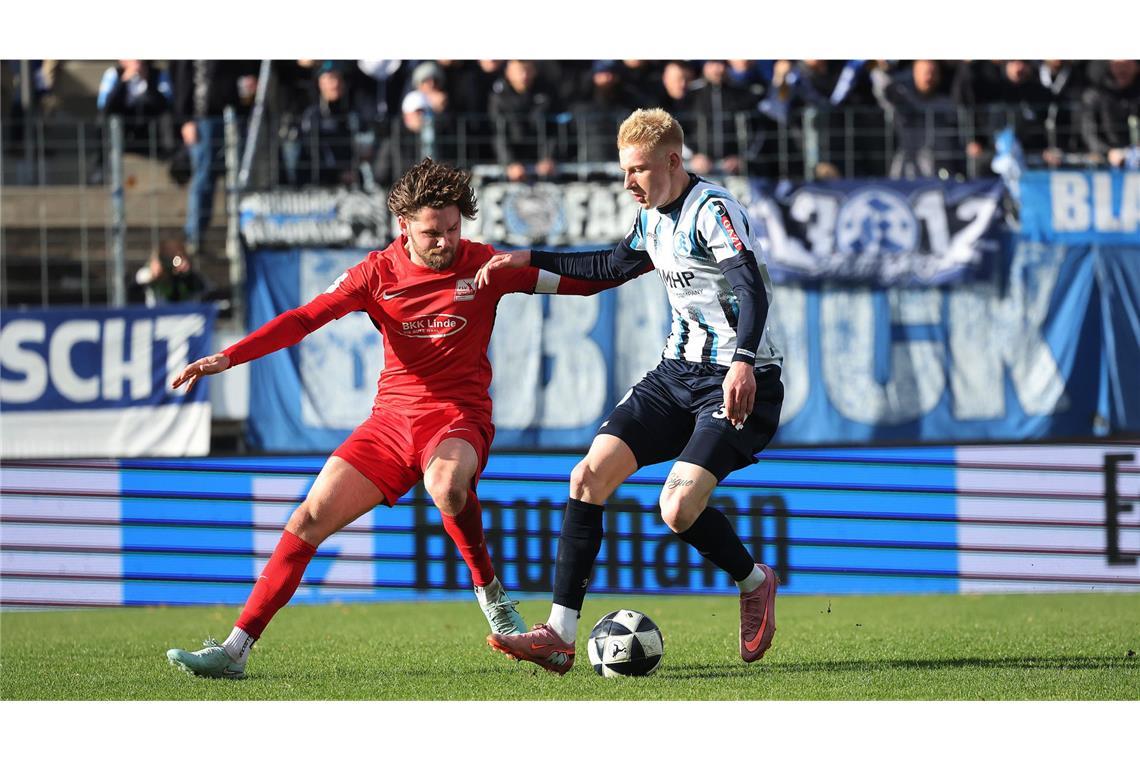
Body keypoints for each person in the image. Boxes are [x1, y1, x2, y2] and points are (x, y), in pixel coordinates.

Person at [165, 158, 615, 679]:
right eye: (432, 232)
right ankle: (234, 650)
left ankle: (492, 595)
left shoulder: (485, 265)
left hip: (458, 416)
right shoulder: (376, 273)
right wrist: (232, 356)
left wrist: (647, 256)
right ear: (403, 226)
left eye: (453, 228)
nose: (445, 241)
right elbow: (304, 319)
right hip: (391, 423)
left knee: (446, 485)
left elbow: (580, 282)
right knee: (307, 520)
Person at [474, 108, 783, 675]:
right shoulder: (652, 220)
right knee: (587, 477)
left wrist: (742, 361)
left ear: (673, 161)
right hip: (675, 374)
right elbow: (606, 269)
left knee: (677, 507)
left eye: (638, 169)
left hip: (741, 378)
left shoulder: (712, 210)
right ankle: (559, 636)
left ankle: (755, 582)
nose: (628, 182)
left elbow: (750, 287)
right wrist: (528, 265)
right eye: (625, 170)